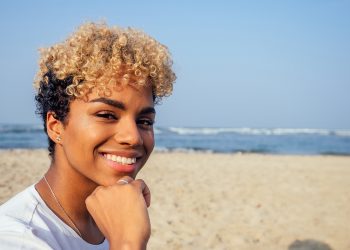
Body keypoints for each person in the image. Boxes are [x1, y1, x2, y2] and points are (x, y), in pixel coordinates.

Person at [0, 22, 176, 249]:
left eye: (144, 121)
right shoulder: (18, 237)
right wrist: (128, 242)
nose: (133, 137)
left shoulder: (109, 219)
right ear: (56, 126)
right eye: (107, 115)